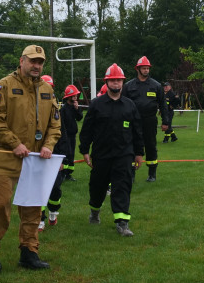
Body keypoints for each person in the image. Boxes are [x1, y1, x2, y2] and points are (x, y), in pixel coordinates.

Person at [0, 45, 62, 273]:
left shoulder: (47, 89)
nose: (36, 66)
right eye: (32, 61)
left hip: (36, 160)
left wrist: (48, 145)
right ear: (22, 61)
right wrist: (14, 143)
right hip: (6, 158)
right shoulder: (4, 86)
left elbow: (55, 123)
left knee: (33, 209)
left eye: (40, 62)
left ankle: (29, 252)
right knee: (0, 206)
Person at [79, 63, 144, 237]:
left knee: (122, 187)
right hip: (101, 155)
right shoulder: (96, 105)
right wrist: (85, 150)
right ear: (107, 82)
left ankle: (122, 224)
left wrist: (139, 154)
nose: (116, 83)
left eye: (119, 81)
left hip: (124, 155)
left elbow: (137, 131)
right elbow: (87, 130)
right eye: (113, 80)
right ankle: (94, 212)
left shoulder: (130, 105)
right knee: (97, 187)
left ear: (122, 83)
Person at [41, 84, 83, 229]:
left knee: (55, 189)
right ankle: (40, 219)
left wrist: (61, 160)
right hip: (39, 157)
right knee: (39, 189)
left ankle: (53, 212)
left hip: (56, 155)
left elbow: (62, 137)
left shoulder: (56, 116)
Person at [123, 55, 169, 182]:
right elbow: (122, 104)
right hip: (133, 121)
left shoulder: (156, 85)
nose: (146, 71)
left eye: (147, 68)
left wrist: (166, 121)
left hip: (149, 120)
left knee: (150, 145)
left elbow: (163, 105)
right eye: (143, 68)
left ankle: (152, 172)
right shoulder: (128, 86)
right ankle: (131, 173)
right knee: (131, 145)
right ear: (137, 69)